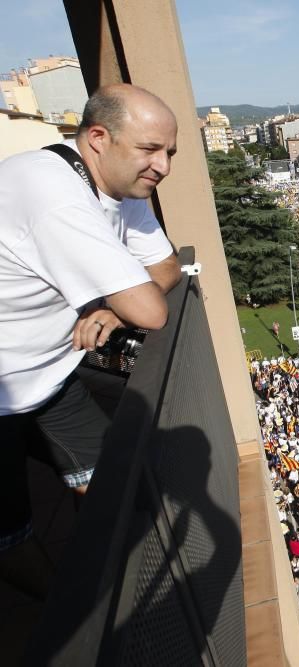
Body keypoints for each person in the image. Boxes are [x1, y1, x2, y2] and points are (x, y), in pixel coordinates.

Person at [0, 83, 181, 599]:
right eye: (151, 149)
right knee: (11, 539)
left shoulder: (120, 188)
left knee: (113, 488)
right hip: (9, 380)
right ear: (98, 138)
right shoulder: (52, 193)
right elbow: (150, 309)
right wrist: (121, 304)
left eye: (169, 152)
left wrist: (106, 306)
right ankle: (72, 622)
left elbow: (165, 266)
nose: (163, 166)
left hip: (47, 374)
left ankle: (96, 590)